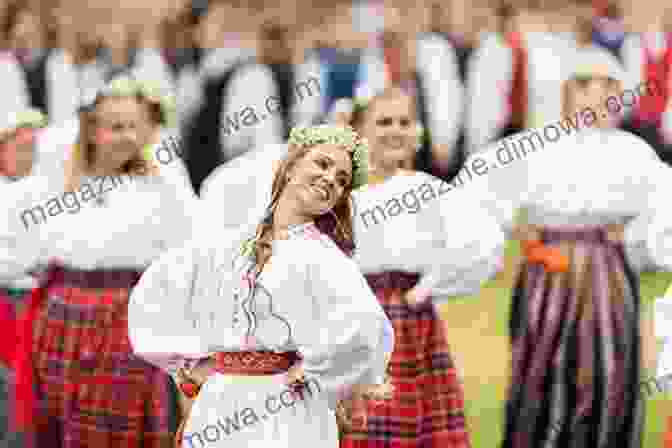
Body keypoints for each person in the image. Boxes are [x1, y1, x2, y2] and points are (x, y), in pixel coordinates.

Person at [128, 124, 394, 448]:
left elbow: (366, 327)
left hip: (287, 408)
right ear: (292, 165)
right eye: (322, 164)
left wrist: (313, 367)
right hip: (222, 402)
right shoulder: (225, 243)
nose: (330, 179)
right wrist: (189, 363)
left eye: (341, 180)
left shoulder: (324, 257)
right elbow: (159, 289)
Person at [469, 48, 672, 448]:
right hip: (548, 278)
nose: (595, 95)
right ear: (564, 93)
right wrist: (514, 231)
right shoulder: (533, 147)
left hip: (608, 276)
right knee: (543, 371)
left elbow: (665, 203)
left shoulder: (633, 152)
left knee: (609, 371)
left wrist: (635, 241)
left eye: (607, 85)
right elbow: (476, 188)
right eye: (583, 85)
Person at [0, 75, 197, 447]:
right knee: (58, 419)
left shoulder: (163, 180)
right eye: (116, 127)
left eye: (134, 127)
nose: (127, 137)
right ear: (92, 131)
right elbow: (18, 243)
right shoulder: (55, 179)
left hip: (127, 317)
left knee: (116, 421)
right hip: (62, 317)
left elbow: (188, 247)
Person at [333, 87, 504, 447]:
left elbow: (482, 243)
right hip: (352, 323)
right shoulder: (340, 194)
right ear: (359, 131)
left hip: (408, 321)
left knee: (411, 421)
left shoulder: (426, 190)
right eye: (383, 122)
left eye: (404, 122)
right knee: (360, 422)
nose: (395, 130)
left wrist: (428, 288)